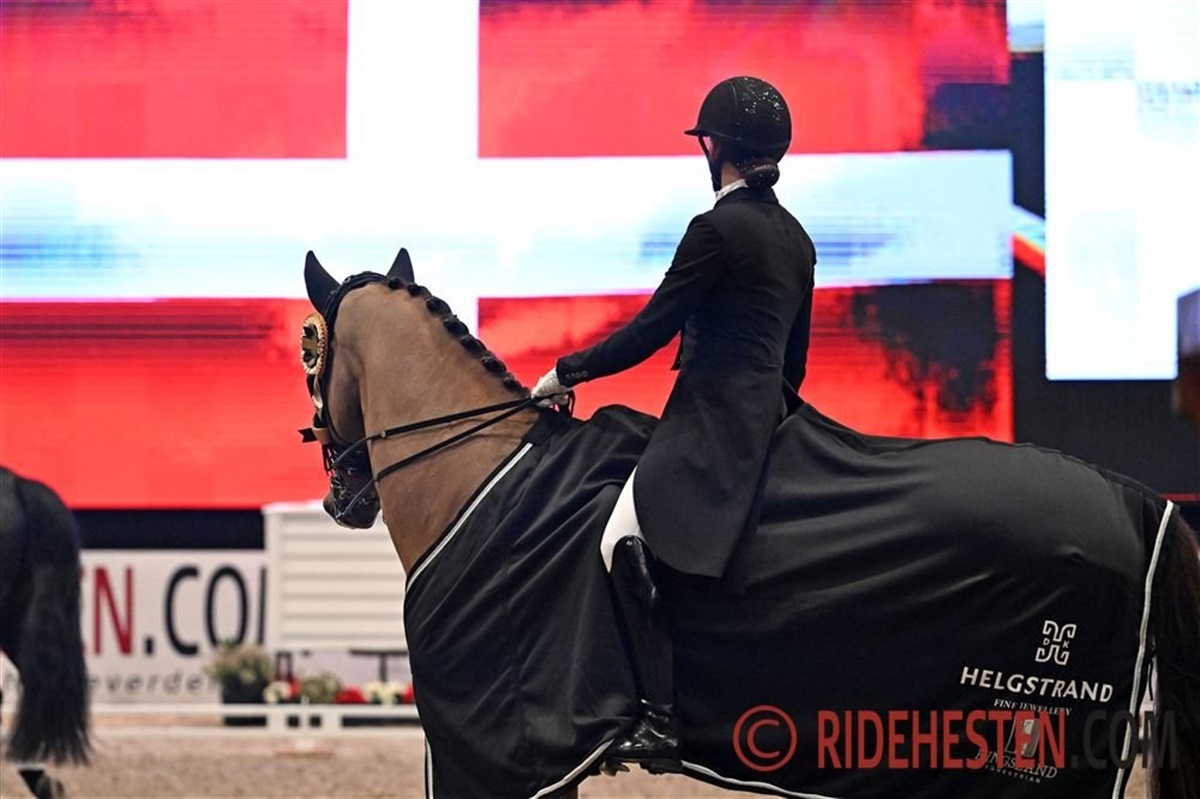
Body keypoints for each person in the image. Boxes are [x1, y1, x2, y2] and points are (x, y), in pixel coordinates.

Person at [532, 75, 817, 772]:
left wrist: (568, 371)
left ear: (715, 147)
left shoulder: (715, 230)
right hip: (769, 418)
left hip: (711, 421)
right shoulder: (798, 238)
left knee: (622, 539)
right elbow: (796, 363)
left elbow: (650, 331)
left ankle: (660, 716)